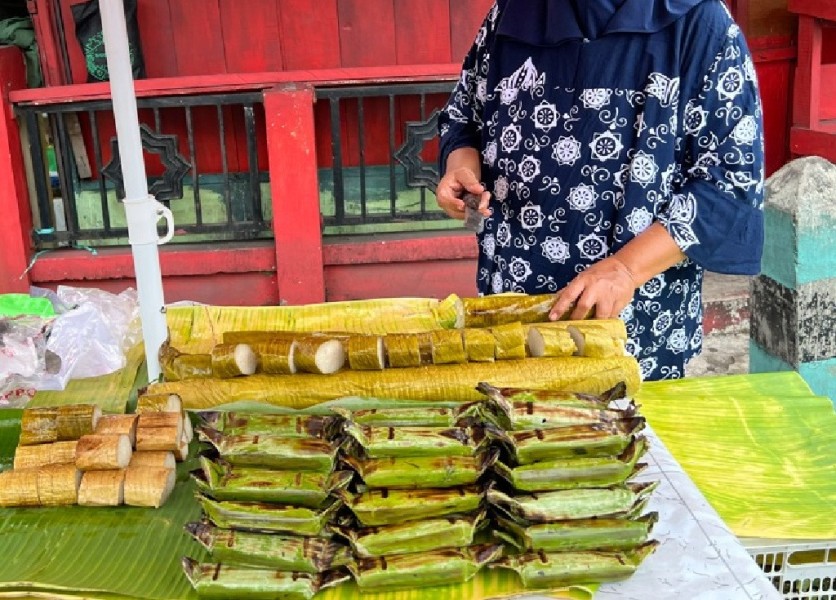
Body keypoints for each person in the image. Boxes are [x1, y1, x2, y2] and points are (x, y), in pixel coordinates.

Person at [437, 0, 765, 380]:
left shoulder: (696, 21)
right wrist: (461, 167)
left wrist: (625, 269)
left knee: (626, 433)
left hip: (631, 326)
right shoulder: (513, 12)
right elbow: (463, 118)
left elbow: (730, 180)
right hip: (510, 315)